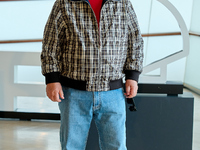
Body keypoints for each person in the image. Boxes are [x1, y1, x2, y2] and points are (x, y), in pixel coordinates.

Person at [41, 0, 143, 149]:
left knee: (116, 146)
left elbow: (135, 40)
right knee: (71, 146)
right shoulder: (64, 3)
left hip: (113, 92)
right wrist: (52, 79)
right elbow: (51, 43)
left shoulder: (122, 3)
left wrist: (132, 76)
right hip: (73, 93)